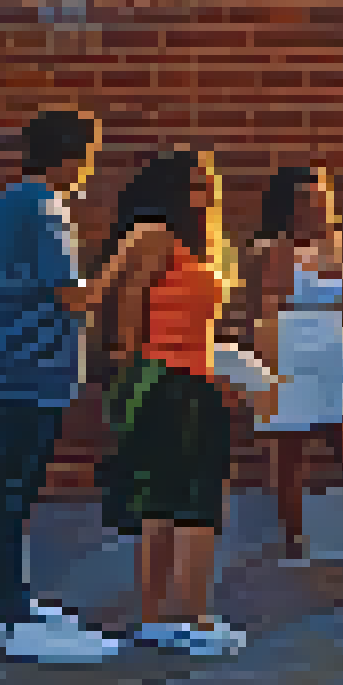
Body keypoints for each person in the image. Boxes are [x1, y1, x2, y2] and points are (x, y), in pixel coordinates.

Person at [0, 109, 149, 662]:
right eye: (88, 153)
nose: (90, 167)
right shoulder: (44, 207)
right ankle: (10, 615)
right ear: (69, 155)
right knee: (10, 493)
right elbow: (74, 297)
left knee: (7, 491)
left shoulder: (16, 203)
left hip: (12, 370)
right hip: (24, 374)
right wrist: (126, 253)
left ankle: (7, 602)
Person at [99, 150, 265, 656]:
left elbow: (201, 329)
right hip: (163, 383)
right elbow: (125, 308)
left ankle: (186, 614)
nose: (205, 194)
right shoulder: (155, 237)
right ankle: (167, 617)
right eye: (194, 185)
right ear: (170, 191)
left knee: (200, 501)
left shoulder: (208, 249)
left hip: (200, 382)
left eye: (209, 184)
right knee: (170, 501)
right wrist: (129, 379)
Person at [245, 165, 343, 566]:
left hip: (331, 350)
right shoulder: (272, 248)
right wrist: (268, 369)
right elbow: (265, 310)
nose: (316, 206)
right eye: (306, 199)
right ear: (287, 207)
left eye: (320, 197)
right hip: (289, 350)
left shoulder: (334, 245)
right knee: (290, 451)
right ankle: (295, 544)